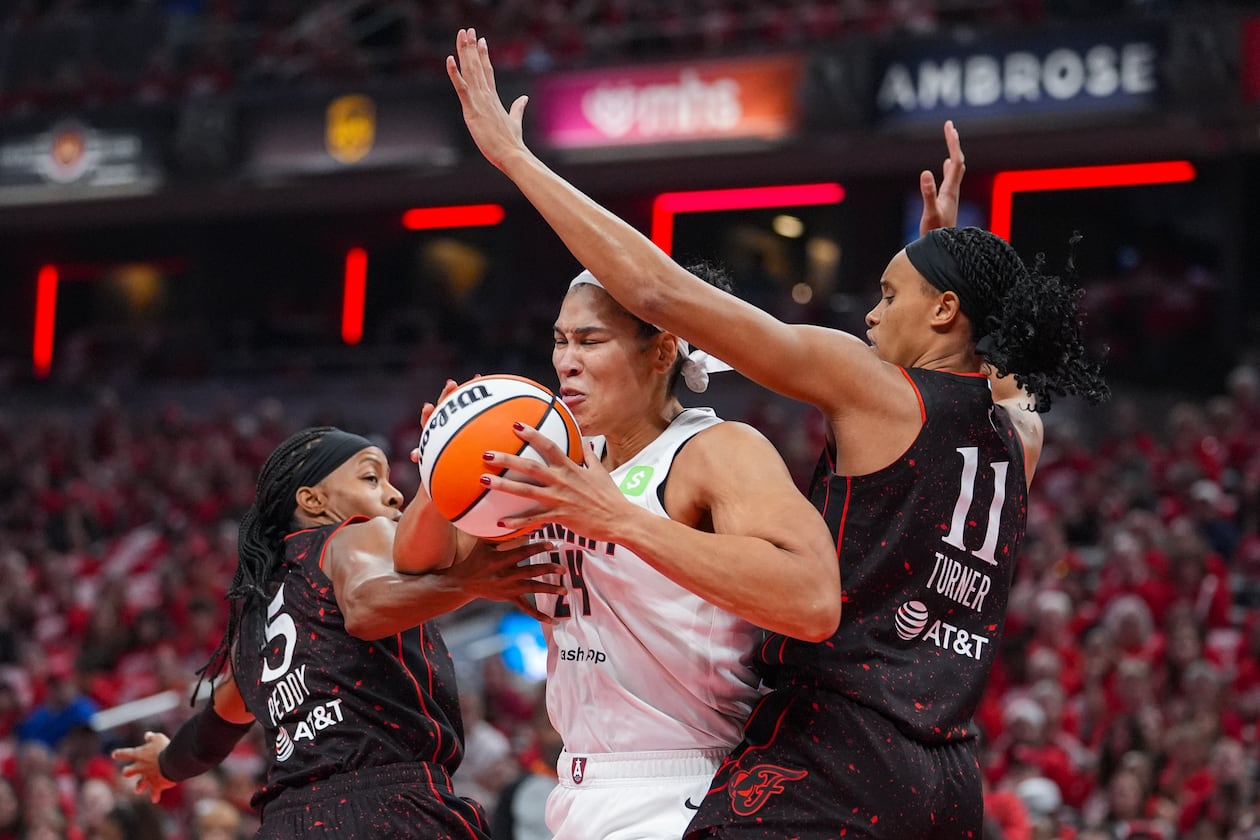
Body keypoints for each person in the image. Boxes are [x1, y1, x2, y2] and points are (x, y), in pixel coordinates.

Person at [446, 27, 1109, 839]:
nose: (869, 313)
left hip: (840, 751)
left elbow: (656, 289)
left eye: (891, 295)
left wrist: (518, 162)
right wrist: (949, 258)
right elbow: (998, 373)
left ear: (944, 313)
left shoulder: (878, 390)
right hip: (949, 778)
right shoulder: (1020, 436)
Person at [402, 263, 840, 839]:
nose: (566, 361)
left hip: (687, 779)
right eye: (560, 340)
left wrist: (620, 520)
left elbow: (812, 600)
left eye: (590, 340)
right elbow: (416, 563)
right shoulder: (554, 454)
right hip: (578, 785)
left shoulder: (717, 450)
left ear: (661, 353)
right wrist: (443, 474)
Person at [112, 425, 564, 838]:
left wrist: (166, 765)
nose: (393, 497)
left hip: (287, 823)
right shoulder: (351, 536)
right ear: (313, 502)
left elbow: (211, 734)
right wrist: (468, 583)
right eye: (372, 479)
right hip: (391, 809)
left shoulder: (251, 626)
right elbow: (366, 609)